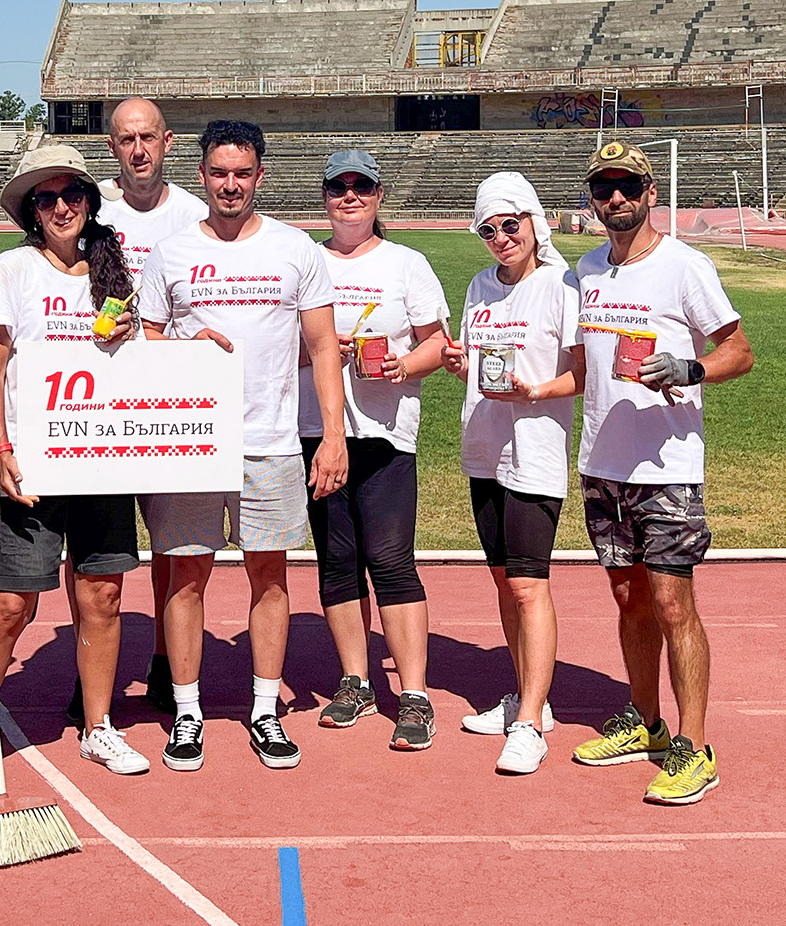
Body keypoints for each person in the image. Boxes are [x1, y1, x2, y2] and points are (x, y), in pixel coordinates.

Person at [139, 120, 349, 771]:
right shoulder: (170, 253)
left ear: (260, 176)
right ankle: (188, 712)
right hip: (190, 444)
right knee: (185, 576)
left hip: (271, 441)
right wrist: (185, 345)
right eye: (219, 173)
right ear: (201, 174)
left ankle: (264, 710)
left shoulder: (295, 249)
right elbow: (145, 342)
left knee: (270, 576)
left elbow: (323, 347)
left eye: (242, 173)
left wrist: (333, 436)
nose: (230, 185)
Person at [0, 145, 151, 795]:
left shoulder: (114, 269)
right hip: (28, 468)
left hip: (101, 463)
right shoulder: (12, 269)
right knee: (10, 605)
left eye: (72, 194)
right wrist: (0, 449)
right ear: (32, 211)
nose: (62, 207)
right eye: (47, 197)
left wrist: (157, 342)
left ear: (90, 201)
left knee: (103, 597)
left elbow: (135, 362)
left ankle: (97, 726)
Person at [569, 140, 753, 805]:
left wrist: (690, 368)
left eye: (627, 185)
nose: (615, 197)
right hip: (603, 462)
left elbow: (739, 350)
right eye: (603, 188)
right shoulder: (586, 270)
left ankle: (694, 747)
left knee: (675, 604)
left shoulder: (685, 266)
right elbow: (579, 364)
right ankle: (644, 721)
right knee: (630, 600)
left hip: (667, 466)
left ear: (650, 193)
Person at [297, 150, 448, 751]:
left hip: (385, 434)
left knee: (389, 559)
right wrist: (319, 348)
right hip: (316, 431)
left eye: (361, 186)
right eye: (338, 187)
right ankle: (356, 681)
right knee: (337, 560)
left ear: (379, 195)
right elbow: (283, 344)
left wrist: (401, 367)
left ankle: (414, 693)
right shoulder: (305, 261)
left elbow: (437, 344)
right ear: (325, 197)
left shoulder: (406, 264)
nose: (350, 196)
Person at [65, 96, 208, 725]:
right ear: (112, 146)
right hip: (100, 395)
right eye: (126, 139)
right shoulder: (89, 208)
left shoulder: (195, 214)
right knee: (91, 548)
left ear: (168, 142)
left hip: (171, 395)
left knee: (172, 541)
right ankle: (88, 669)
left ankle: (163, 661)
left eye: (148, 137)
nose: (139, 149)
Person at [441, 171, 582, 776]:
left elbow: (583, 372)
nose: (501, 238)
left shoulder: (561, 285)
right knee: (503, 582)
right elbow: (475, 364)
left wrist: (536, 392)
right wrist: (458, 364)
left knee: (529, 586)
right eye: (488, 230)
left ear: (533, 221)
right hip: (485, 449)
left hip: (535, 453)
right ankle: (528, 695)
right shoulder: (479, 286)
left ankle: (529, 724)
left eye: (510, 224)